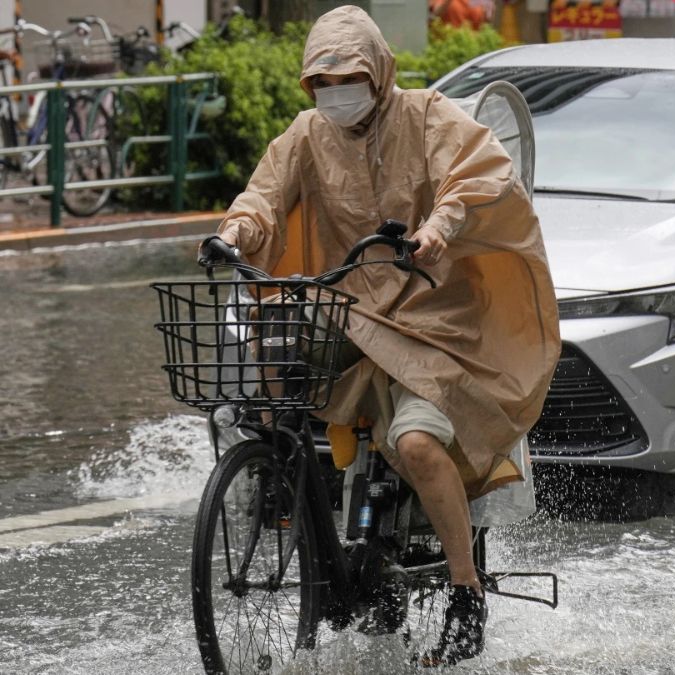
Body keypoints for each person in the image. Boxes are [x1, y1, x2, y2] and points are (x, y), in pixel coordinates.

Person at [201, 5, 559, 666]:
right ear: (310, 85)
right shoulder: (308, 134)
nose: (336, 90)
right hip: (348, 307)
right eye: (323, 80)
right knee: (271, 386)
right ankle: (322, 531)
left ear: (379, 72)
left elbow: (480, 174)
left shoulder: (427, 116)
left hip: (436, 317)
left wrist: (439, 228)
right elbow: (262, 197)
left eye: (350, 76)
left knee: (418, 442)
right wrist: (233, 234)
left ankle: (464, 593)